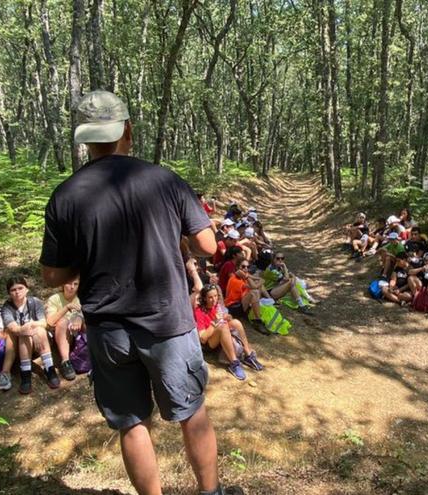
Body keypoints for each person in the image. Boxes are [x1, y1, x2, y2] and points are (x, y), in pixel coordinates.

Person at [40, 90, 227, 495]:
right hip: (167, 322)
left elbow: (53, 275)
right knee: (191, 411)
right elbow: (208, 246)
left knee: (130, 422)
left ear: (86, 139)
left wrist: (85, 256)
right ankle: (211, 493)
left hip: (109, 329)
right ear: (127, 129)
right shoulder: (165, 181)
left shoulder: (66, 195)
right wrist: (180, 239)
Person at [193, 285, 263, 381]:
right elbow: (202, 339)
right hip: (209, 344)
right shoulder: (199, 311)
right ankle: (234, 363)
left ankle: (248, 355)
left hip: (220, 335)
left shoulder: (216, 305)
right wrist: (214, 322)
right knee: (223, 327)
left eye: (216, 296)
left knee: (236, 323)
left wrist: (228, 317)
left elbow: (224, 317)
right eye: (210, 297)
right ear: (204, 298)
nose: (214, 299)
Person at [1, 276, 58, 394]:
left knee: (40, 330)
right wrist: (27, 329)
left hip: (41, 339)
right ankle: (26, 375)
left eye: (20, 288)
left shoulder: (35, 302)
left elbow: (43, 322)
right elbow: (13, 328)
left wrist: (32, 326)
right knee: (23, 333)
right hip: (21, 343)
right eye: (13, 290)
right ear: (9, 293)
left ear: (27, 289)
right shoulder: (7, 307)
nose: (17, 292)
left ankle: (50, 369)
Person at [45, 278, 85, 381]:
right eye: (69, 283)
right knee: (63, 322)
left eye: (75, 284)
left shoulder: (82, 298)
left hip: (78, 334)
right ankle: (65, 362)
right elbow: (50, 321)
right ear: (62, 284)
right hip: (59, 334)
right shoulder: (55, 298)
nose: (72, 287)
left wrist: (80, 319)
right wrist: (66, 308)